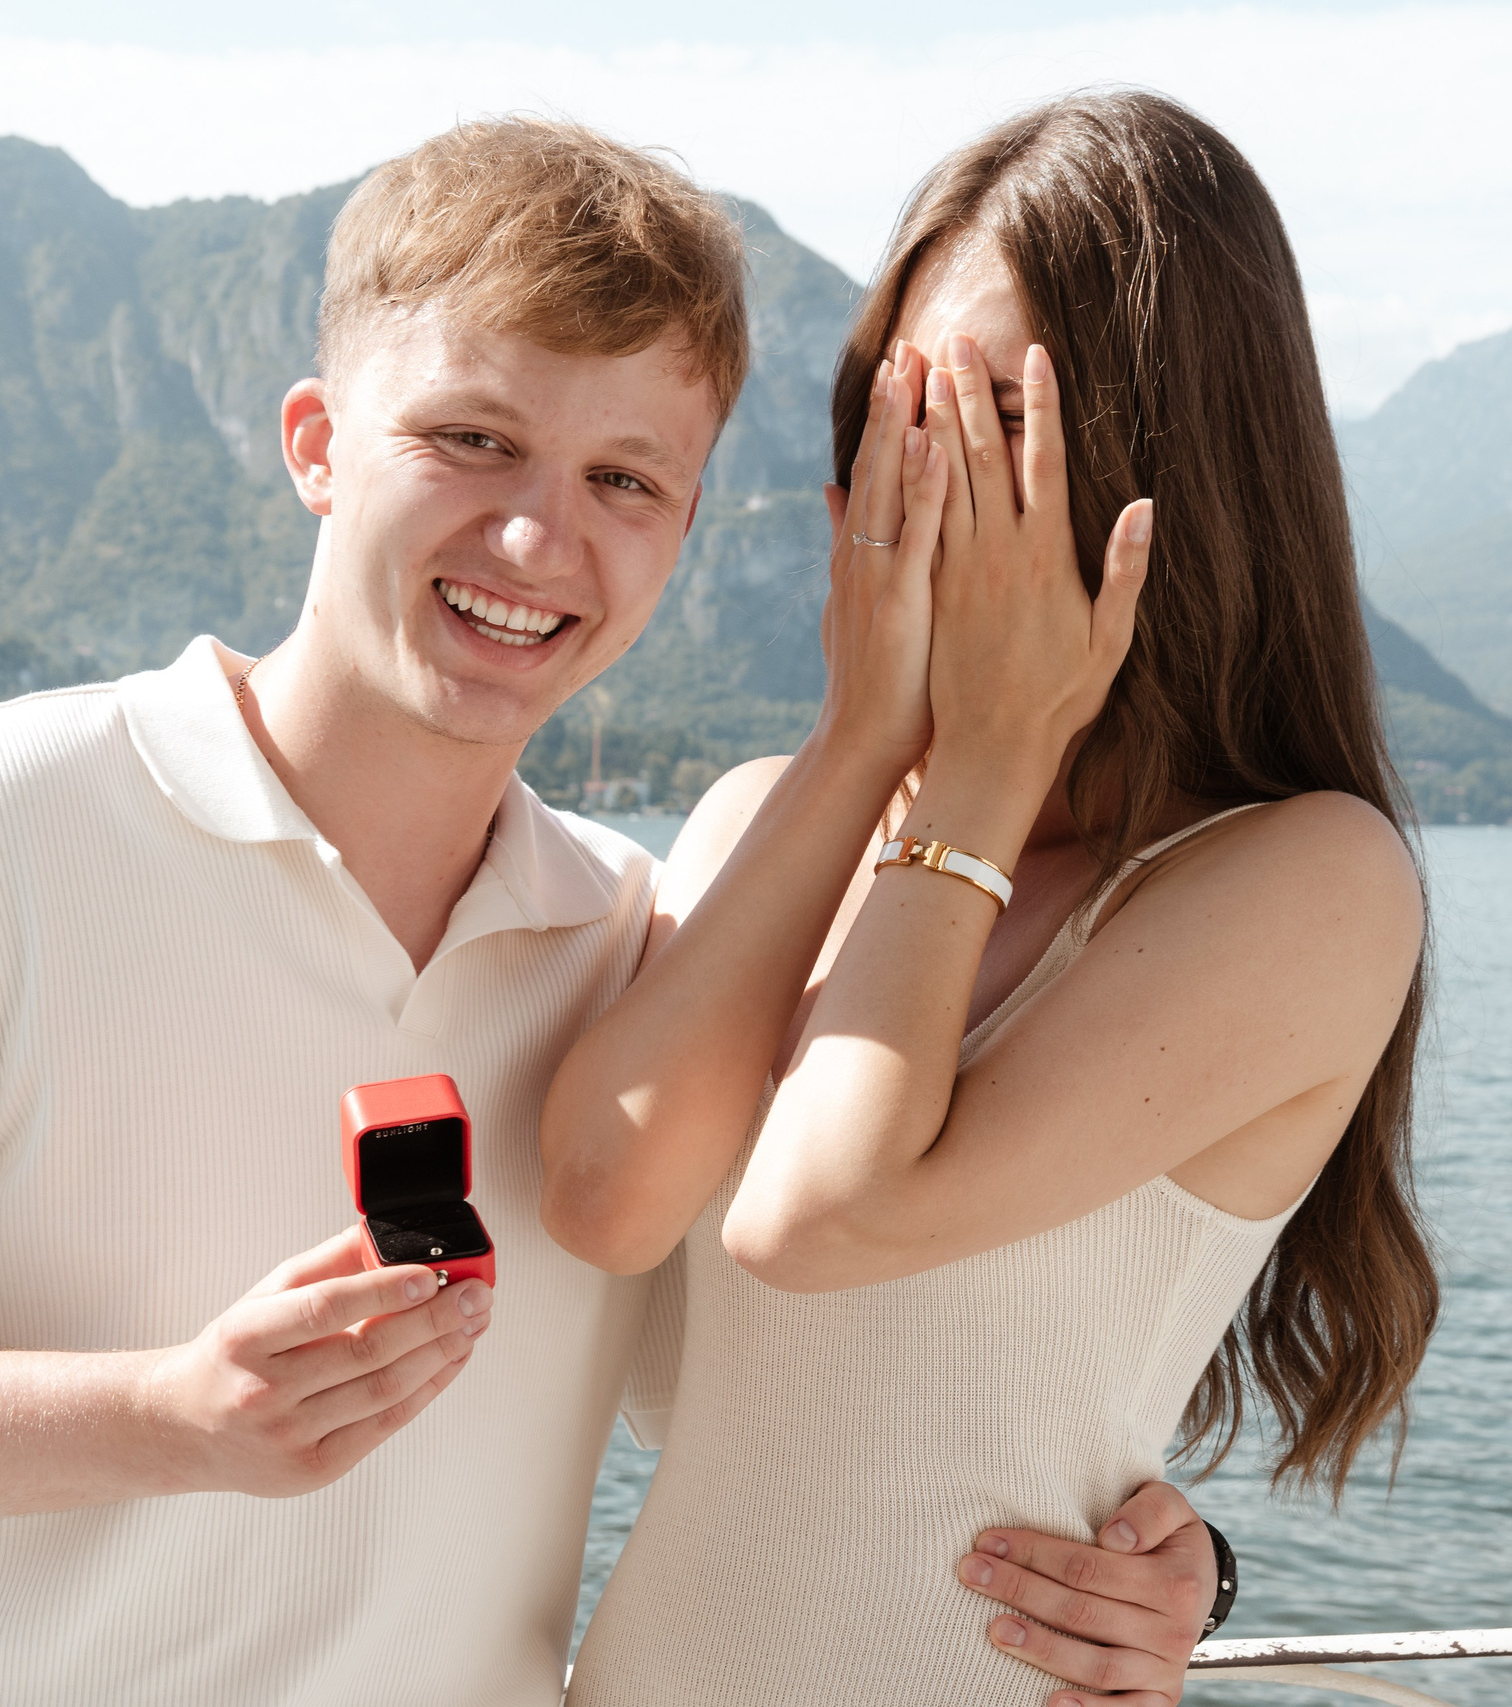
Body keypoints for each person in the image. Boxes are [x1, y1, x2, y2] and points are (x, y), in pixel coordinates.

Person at [0, 117, 1217, 1705]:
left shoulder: (627, 942)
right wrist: (166, 1416)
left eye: (626, 480)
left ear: (686, 531)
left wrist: (1171, 1566)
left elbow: (774, 1391)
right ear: (314, 444)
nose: (535, 536)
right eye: (474, 440)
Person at [546, 90, 1442, 1707]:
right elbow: (609, 1202)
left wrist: (979, 772)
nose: (923, 456)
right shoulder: (773, 815)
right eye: (900, 398)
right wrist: (860, 745)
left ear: (1175, 452)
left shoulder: (1307, 878)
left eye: (997, 412)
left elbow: (817, 1219)